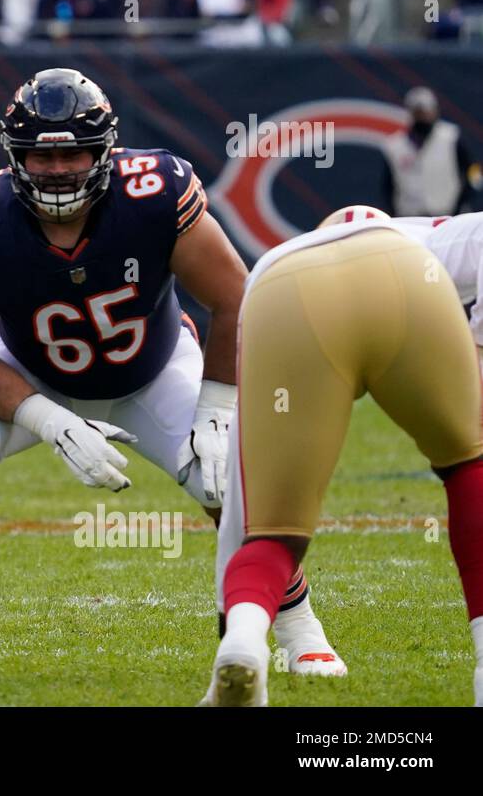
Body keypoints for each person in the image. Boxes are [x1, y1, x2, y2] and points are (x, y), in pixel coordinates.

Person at [0, 68, 343, 678]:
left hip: (152, 366)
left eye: (74, 152)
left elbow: (236, 299)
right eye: (40, 155)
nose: (57, 169)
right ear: (14, 155)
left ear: (106, 150)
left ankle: (301, 632)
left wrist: (218, 408)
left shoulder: (154, 191)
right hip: (29, 371)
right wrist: (46, 419)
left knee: (225, 481)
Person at [207, 205, 483, 706]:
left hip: (284, 285)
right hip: (410, 281)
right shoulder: (438, 241)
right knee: (471, 466)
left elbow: (237, 511)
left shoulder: (295, 256)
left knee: (269, 525)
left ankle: (243, 640)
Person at [382, 87, 480, 217]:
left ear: (435, 111)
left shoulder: (452, 138)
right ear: (410, 112)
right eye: (418, 111)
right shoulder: (395, 145)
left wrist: (465, 199)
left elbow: (473, 170)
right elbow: (388, 186)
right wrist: (392, 213)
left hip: (449, 216)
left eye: (427, 110)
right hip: (411, 218)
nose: (423, 115)